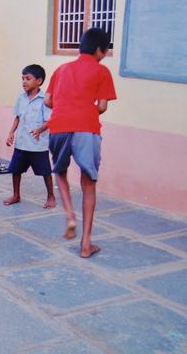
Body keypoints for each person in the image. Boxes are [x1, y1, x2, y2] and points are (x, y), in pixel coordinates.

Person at [45, 28, 117, 259]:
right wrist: (85, 110)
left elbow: (48, 101)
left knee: (60, 172)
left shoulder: (61, 69)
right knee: (88, 183)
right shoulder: (101, 71)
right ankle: (86, 244)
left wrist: (66, 109)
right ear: (100, 50)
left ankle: (69, 215)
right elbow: (102, 106)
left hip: (58, 125)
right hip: (86, 128)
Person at [4, 64, 56, 209]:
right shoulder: (21, 98)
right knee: (16, 170)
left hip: (37, 145)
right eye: (22, 79)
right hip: (21, 143)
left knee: (45, 172)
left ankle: (51, 196)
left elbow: (50, 120)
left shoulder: (45, 100)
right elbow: (17, 117)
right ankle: (16, 195)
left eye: (28, 78)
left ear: (39, 81)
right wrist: (11, 133)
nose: (24, 82)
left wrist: (40, 129)